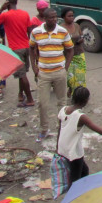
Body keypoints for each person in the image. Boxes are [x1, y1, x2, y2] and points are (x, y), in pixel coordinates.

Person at [54, 86, 102, 197]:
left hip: (63, 148)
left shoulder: (64, 110)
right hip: (74, 152)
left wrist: (57, 146)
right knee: (75, 180)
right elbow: (101, 131)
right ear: (85, 101)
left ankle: (82, 194)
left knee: (84, 171)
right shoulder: (80, 116)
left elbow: (59, 129)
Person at [31, 8, 74, 142]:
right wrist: (34, 67)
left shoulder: (62, 31)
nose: (54, 20)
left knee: (62, 102)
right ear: (45, 19)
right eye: (51, 18)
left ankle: (62, 128)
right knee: (42, 103)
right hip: (43, 73)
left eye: (55, 17)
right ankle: (44, 129)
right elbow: (31, 48)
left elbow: (70, 50)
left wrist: (65, 67)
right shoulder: (36, 32)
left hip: (59, 72)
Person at [0, 0, 35, 107]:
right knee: (23, 73)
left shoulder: (5, 15)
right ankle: (21, 94)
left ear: (7, 3)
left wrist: (1, 9)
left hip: (16, 49)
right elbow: (29, 30)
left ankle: (30, 99)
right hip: (26, 47)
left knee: (22, 75)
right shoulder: (25, 13)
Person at [62, 9, 87, 96]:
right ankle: (71, 88)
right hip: (67, 56)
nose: (71, 18)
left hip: (79, 54)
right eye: (69, 16)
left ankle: (79, 95)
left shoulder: (76, 25)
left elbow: (81, 35)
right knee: (70, 77)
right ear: (64, 17)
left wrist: (81, 39)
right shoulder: (61, 28)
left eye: (72, 15)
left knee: (80, 76)